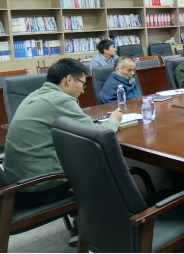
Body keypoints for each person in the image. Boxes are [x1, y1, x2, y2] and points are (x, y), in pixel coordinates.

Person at [3, 58, 122, 246]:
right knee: (102, 170)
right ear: (68, 80)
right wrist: (114, 120)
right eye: (82, 84)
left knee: (79, 159)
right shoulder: (60, 100)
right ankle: (106, 232)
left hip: (14, 186)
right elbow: (98, 134)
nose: (83, 90)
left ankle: (79, 225)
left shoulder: (36, 95)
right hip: (36, 189)